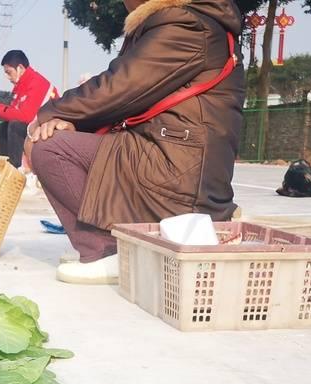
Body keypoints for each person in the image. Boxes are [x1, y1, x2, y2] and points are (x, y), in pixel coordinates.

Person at [28, 0, 244, 283]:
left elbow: (119, 88)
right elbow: (126, 96)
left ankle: (111, 252)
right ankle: (108, 248)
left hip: (179, 174)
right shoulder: (184, 22)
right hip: (172, 159)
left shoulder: (187, 27)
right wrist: (68, 120)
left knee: (49, 147)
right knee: (55, 137)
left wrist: (46, 115)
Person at [0, 50, 56, 171]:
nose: (7, 77)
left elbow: (26, 117)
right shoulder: (21, 87)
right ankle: (4, 166)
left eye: (9, 72)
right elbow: (15, 112)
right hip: (35, 127)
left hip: (49, 129)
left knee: (15, 125)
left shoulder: (38, 83)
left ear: (20, 68)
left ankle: (14, 168)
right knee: (4, 127)